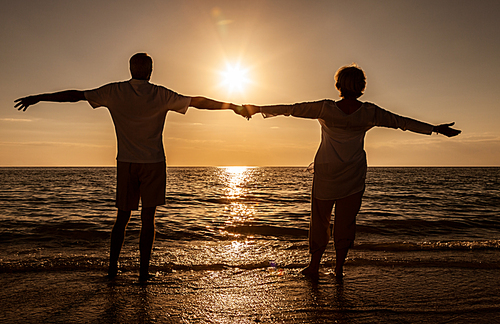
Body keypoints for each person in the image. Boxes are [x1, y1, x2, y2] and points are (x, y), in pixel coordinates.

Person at [15, 53, 250, 281]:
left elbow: (75, 95)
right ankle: (143, 272)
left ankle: (112, 268)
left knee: (122, 218)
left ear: (130, 69)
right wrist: (232, 107)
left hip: (126, 162)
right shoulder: (160, 94)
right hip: (154, 163)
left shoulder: (114, 91)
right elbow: (198, 102)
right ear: (150, 70)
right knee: (149, 220)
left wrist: (40, 97)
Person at [244, 64, 461, 280]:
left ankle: (314, 266)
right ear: (361, 87)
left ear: (338, 85)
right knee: (345, 222)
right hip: (353, 174)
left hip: (327, 173)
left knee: (320, 220)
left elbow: (291, 109)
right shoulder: (369, 112)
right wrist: (434, 129)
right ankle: (338, 268)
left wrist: (257, 109)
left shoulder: (325, 108)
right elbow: (402, 123)